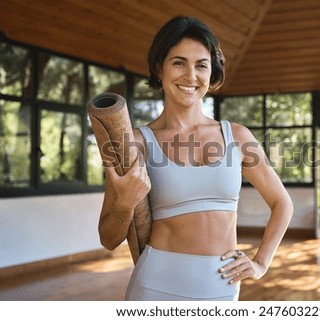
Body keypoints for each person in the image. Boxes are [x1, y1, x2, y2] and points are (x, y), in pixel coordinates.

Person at [98, 16, 293, 301]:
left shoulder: (237, 137)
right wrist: (126, 202)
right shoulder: (135, 144)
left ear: (211, 72)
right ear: (159, 68)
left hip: (222, 288)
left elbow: (282, 203)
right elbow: (108, 238)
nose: (191, 76)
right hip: (156, 287)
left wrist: (261, 262)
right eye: (178, 62)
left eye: (201, 65)